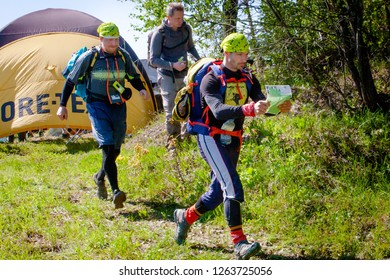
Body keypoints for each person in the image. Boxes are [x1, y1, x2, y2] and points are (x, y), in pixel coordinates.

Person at [173, 33, 292, 259]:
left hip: (233, 137)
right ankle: (239, 243)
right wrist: (247, 110)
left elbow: (260, 103)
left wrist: (276, 108)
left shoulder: (248, 77)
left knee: (217, 193)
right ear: (226, 53)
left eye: (246, 54)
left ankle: (185, 217)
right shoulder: (211, 78)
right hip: (210, 136)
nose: (244, 58)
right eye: (239, 54)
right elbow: (217, 110)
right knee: (232, 185)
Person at [56, 22, 149, 209]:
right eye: (110, 40)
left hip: (118, 105)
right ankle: (116, 191)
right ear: (101, 39)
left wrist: (141, 89)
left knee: (116, 149)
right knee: (107, 146)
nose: (114, 43)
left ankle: (99, 177)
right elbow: (70, 81)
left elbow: (132, 76)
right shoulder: (89, 57)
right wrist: (62, 106)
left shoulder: (123, 55)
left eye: (116, 39)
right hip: (97, 104)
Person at [149, 2, 201, 150]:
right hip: (167, 76)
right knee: (171, 110)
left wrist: (200, 61)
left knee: (188, 106)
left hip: (185, 75)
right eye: (177, 18)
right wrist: (172, 65)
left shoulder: (186, 29)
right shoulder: (159, 34)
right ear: (168, 18)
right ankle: (173, 144)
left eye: (182, 17)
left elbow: (190, 47)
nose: (181, 21)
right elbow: (153, 60)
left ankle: (187, 138)